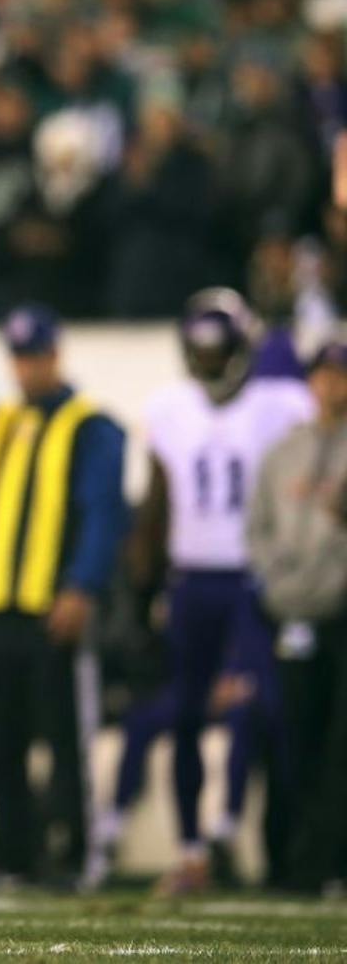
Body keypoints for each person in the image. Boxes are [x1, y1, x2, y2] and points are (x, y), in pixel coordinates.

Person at [126, 289, 313, 895]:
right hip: (191, 579)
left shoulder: (281, 404)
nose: (208, 363)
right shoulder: (169, 408)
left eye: (218, 351)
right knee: (184, 713)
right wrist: (141, 592)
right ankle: (190, 849)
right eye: (200, 352)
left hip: (255, 578)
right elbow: (155, 507)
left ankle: (238, 832)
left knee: (257, 710)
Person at [0, 305, 127, 887]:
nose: (26, 368)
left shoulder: (92, 426)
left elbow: (104, 515)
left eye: (35, 356)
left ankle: (76, 853)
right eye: (18, 357)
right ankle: (14, 856)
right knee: (2, 738)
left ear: (55, 355)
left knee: (66, 737)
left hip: (54, 607)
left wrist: (82, 586)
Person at [247, 336, 347, 893]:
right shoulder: (283, 450)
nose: (331, 384)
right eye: (324, 374)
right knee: (293, 738)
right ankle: (295, 861)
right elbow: (257, 527)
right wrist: (280, 585)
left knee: (339, 746)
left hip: (342, 613)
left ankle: (329, 861)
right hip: (289, 612)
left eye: (341, 374)